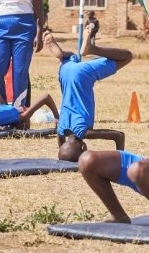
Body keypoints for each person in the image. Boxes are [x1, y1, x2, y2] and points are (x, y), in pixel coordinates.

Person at [45, 30, 131, 162]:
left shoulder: (86, 133)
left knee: (126, 56)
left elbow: (119, 136)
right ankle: (62, 55)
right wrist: (62, 150)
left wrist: (120, 161)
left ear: (84, 147)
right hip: (65, 72)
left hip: (81, 76)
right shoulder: (61, 130)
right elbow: (61, 147)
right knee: (72, 57)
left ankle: (92, 48)